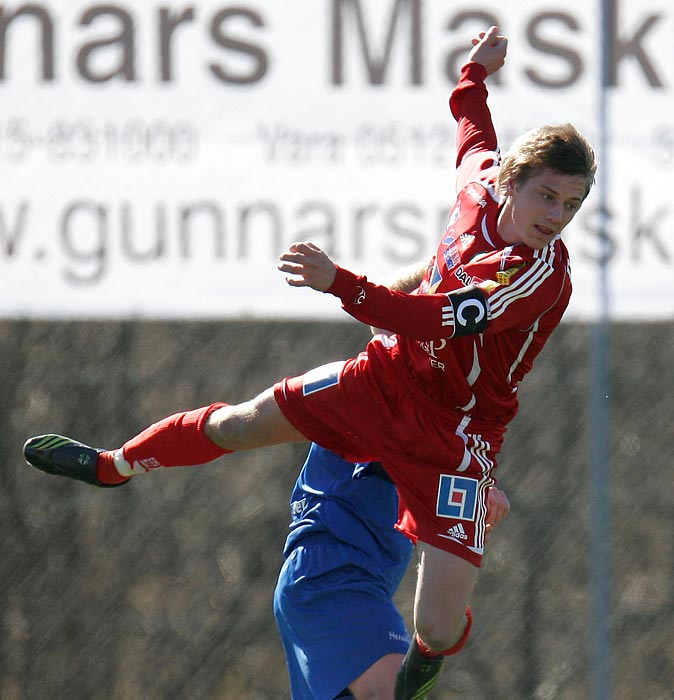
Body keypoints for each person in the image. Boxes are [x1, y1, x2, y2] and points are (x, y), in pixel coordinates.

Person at [23, 26, 596, 700]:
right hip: (381, 382)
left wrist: (340, 283)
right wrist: (474, 73)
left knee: (437, 626)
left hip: (455, 438)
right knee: (239, 424)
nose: (557, 216)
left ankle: (423, 667)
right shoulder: (477, 186)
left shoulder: (538, 278)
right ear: (509, 183)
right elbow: (471, 127)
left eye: (572, 205)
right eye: (548, 197)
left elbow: (433, 316)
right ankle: (112, 466)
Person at [274, 443, 510, 700]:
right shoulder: (401, 415)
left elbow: (432, 516)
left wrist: (465, 523)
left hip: (336, 578)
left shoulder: (445, 431)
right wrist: (466, 500)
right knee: (393, 692)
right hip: (333, 573)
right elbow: (401, 452)